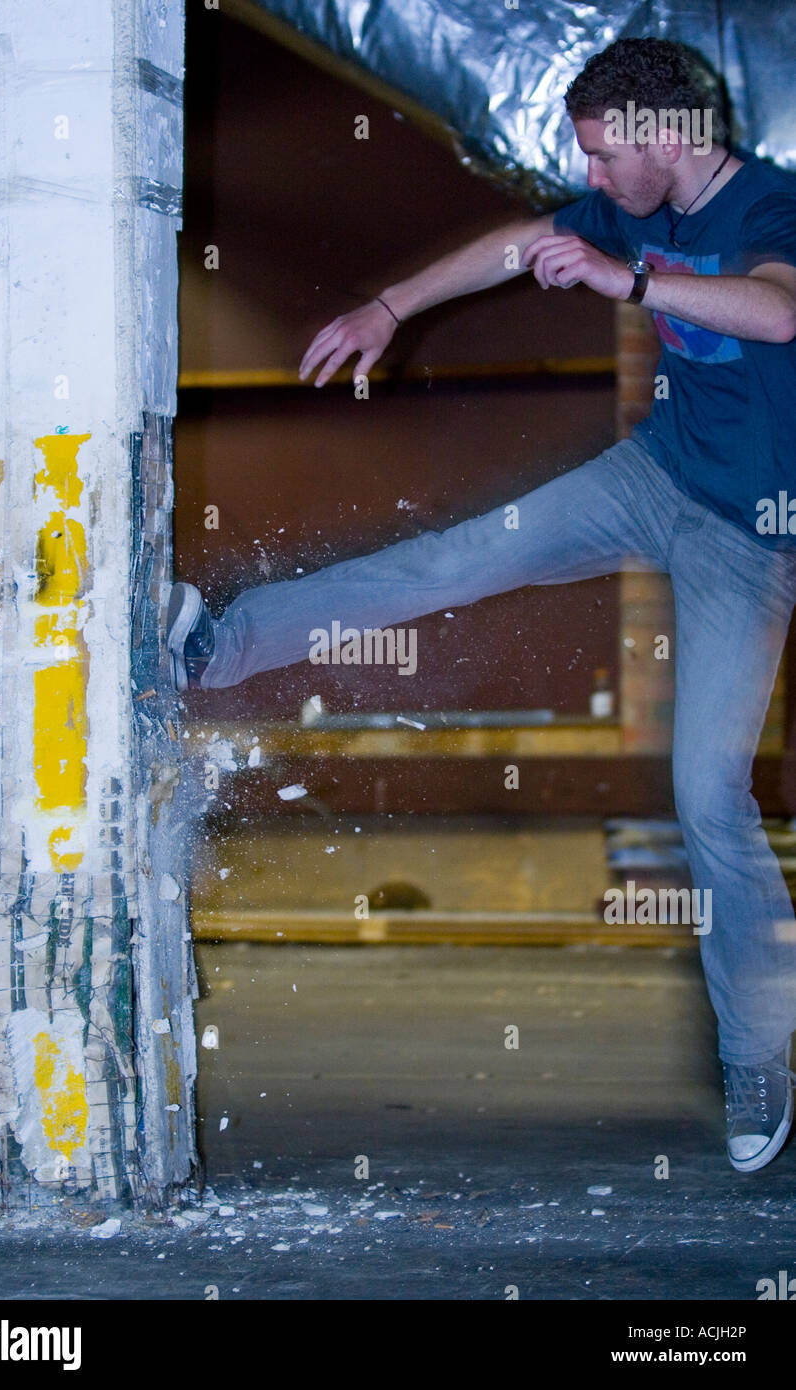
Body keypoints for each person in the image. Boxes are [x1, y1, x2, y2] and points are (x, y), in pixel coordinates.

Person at [167, 37, 796, 1172]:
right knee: (451, 561)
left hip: (752, 540)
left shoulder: (771, 208)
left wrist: (634, 281)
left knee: (707, 793)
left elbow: (773, 311)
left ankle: (756, 1054)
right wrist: (385, 307)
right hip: (651, 476)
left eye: (605, 157)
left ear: (667, 138)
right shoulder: (622, 202)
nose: (592, 178)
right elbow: (521, 242)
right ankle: (212, 645)